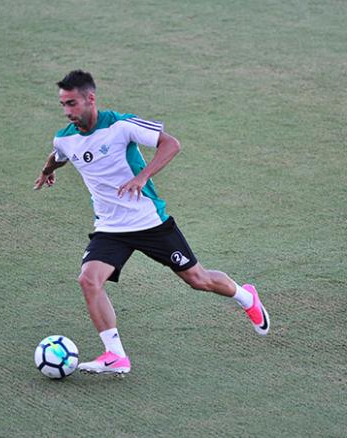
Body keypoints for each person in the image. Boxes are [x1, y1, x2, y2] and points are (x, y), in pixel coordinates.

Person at [34, 70, 270, 373]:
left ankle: (246, 296)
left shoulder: (122, 125)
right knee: (88, 279)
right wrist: (47, 169)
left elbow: (171, 144)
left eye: (72, 104)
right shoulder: (65, 138)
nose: (68, 112)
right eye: (63, 105)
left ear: (90, 99)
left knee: (198, 279)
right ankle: (115, 355)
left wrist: (141, 177)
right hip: (110, 228)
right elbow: (60, 154)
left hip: (149, 221)